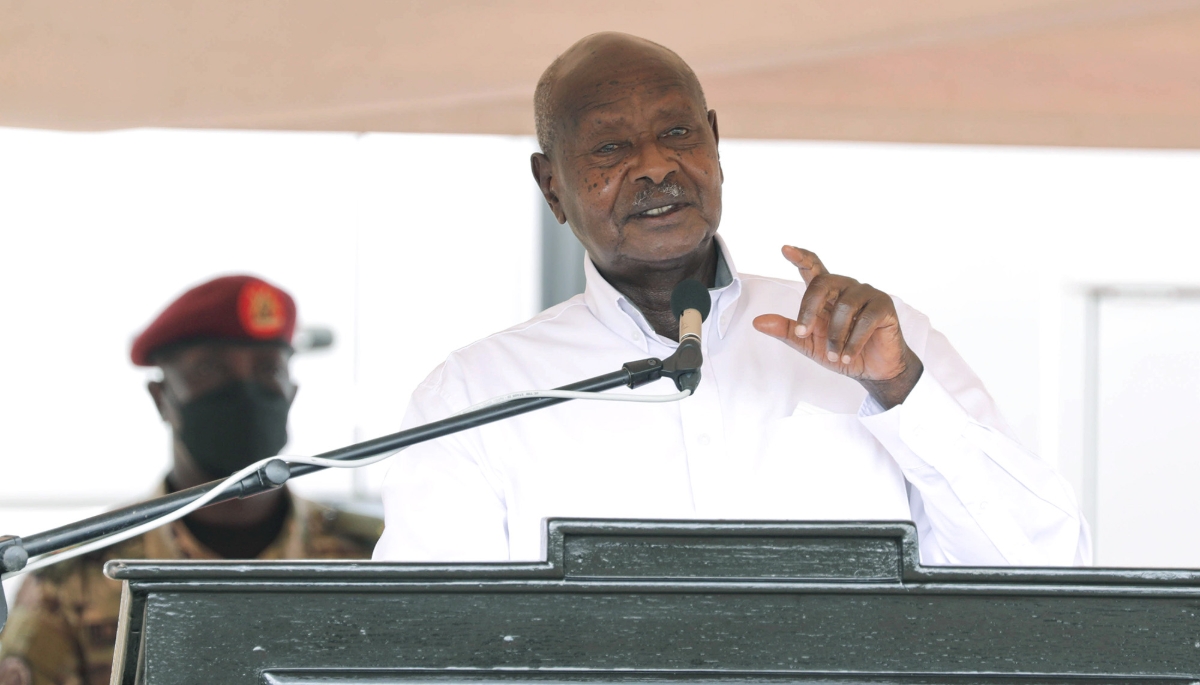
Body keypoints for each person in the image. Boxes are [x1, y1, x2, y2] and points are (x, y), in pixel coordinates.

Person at [372, 32, 1090, 568]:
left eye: (677, 132)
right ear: (552, 186)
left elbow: (1050, 572)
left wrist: (903, 395)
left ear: (715, 144)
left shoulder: (881, 348)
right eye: (610, 149)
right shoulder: (474, 398)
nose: (656, 165)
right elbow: (429, 644)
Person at [0, 275, 382, 685]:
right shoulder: (75, 577)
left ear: (292, 393)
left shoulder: (373, 557)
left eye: (267, 368)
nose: (245, 391)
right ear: (162, 398)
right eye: (210, 369)